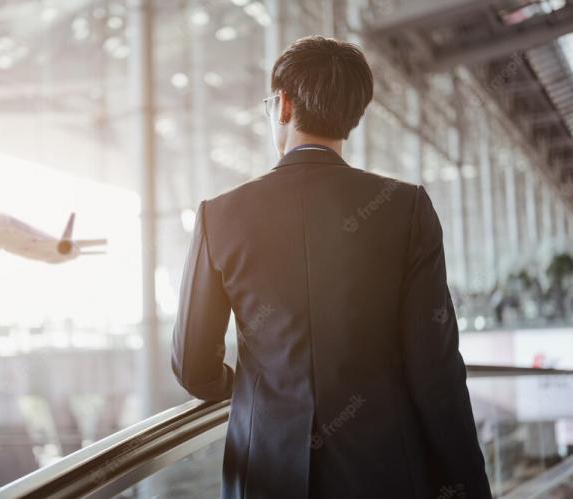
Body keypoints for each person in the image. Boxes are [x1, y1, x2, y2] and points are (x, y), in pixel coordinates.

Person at [170, 36, 491, 499]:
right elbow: (435, 371)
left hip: (265, 472)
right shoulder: (406, 209)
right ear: (351, 118)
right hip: (383, 474)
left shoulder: (219, 215)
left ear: (282, 106)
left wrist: (246, 386)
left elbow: (193, 368)